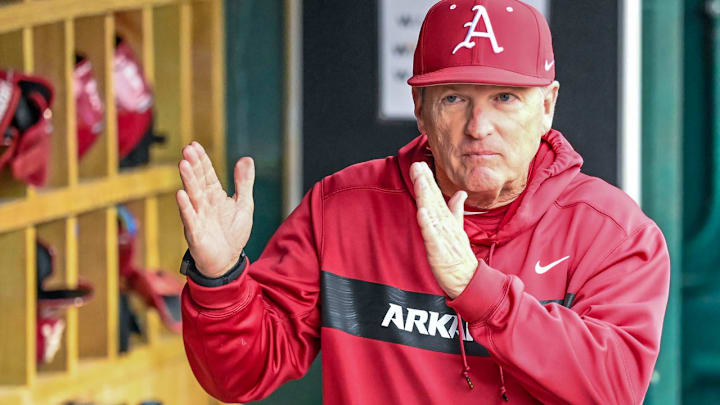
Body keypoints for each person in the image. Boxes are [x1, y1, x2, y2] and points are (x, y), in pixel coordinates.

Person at [176, 0, 670, 403]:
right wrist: (218, 279)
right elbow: (239, 376)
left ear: (547, 106)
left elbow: (614, 387)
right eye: (454, 98)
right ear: (420, 109)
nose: (479, 127)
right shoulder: (343, 208)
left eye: (505, 98)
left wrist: (481, 293)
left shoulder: (613, 234)